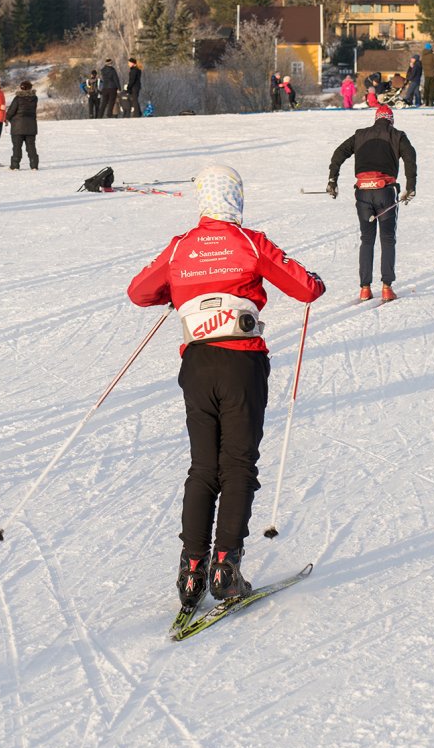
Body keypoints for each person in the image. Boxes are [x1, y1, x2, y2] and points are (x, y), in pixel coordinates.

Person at [126, 164, 325, 607]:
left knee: (203, 467)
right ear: (236, 197)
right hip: (241, 362)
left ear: (202, 198)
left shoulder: (181, 247)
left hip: (197, 364)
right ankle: (225, 569)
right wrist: (315, 281)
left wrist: (181, 291)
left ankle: (191, 571)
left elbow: (139, 292)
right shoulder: (250, 241)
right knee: (237, 465)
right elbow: (306, 288)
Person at [326, 104, 417, 301]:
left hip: (363, 193)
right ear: (391, 120)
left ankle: (365, 289)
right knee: (387, 238)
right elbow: (410, 158)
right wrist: (411, 186)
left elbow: (339, 153)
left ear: (376, 119)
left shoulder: (360, 135)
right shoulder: (398, 136)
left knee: (367, 239)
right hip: (385, 192)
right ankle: (386, 287)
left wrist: (332, 180)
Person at [7, 79, 39, 170]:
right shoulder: (34, 99)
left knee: (17, 147)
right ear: (30, 88)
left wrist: (8, 118)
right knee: (31, 147)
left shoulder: (17, 98)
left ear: (21, 88)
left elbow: (11, 111)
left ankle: (15, 166)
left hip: (18, 127)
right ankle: (34, 165)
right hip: (31, 126)